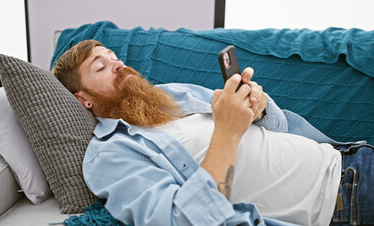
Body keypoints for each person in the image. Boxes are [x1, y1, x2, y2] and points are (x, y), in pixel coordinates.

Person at [52, 39, 344, 226]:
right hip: (338, 202)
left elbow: (277, 128)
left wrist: (258, 107)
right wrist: (227, 132)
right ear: (83, 99)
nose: (117, 64)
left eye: (113, 56)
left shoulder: (170, 95)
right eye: (101, 66)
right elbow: (184, 220)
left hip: (343, 156)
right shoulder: (111, 154)